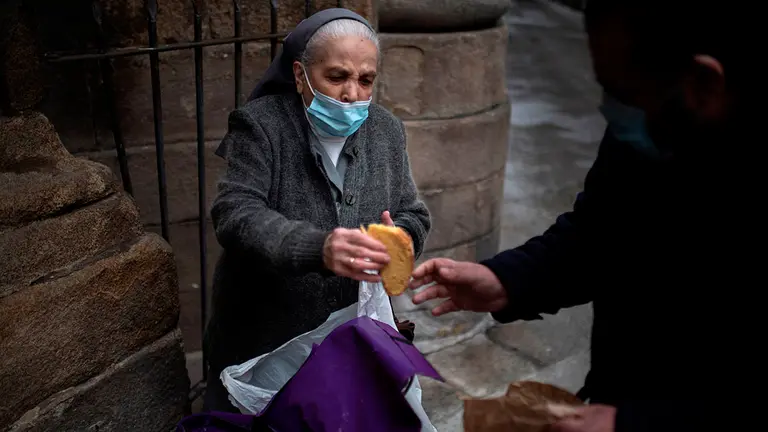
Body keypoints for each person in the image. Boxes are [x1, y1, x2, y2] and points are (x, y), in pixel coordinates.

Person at [409, 1, 756, 431]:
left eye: (623, 93)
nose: (610, 110)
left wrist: (634, 423)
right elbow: (598, 234)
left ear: (704, 84)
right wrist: (508, 280)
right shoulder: (648, 135)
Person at [203, 8, 431, 412]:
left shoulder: (386, 130)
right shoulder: (261, 126)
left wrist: (398, 239)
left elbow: (413, 213)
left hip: (351, 342)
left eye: (366, 80)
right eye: (337, 76)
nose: (352, 94)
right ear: (299, 74)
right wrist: (317, 247)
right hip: (265, 340)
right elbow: (235, 212)